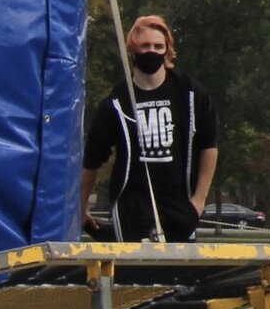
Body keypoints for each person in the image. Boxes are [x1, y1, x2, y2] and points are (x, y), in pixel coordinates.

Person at [80, 15, 218, 245]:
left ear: (167, 50)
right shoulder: (116, 102)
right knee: (136, 276)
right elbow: (92, 159)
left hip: (180, 205)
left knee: (179, 276)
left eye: (158, 46)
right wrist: (81, 207)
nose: (152, 51)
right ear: (133, 50)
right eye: (145, 46)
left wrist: (199, 200)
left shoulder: (190, 93)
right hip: (132, 206)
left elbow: (209, 144)